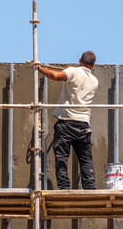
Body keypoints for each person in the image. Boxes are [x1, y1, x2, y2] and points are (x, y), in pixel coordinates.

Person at [33, 51, 98, 190]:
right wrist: (70, 71)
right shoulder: (94, 81)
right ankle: (90, 188)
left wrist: (39, 68)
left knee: (62, 157)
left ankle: (64, 188)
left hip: (67, 122)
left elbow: (56, 75)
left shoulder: (73, 72)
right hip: (83, 124)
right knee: (86, 159)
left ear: (79, 59)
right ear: (93, 65)